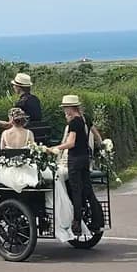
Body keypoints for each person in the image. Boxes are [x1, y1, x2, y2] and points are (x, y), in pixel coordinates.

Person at [49, 95, 102, 237]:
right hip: (85, 158)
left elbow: (71, 143)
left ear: (70, 108)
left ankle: (76, 223)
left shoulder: (74, 122)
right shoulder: (86, 119)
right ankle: (98, 220)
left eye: (65, 108)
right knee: (88, 190)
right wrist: (101, 144)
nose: (64, 111)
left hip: (75, 159)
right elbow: (96, 134)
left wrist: (56, 148)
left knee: (76, 190)